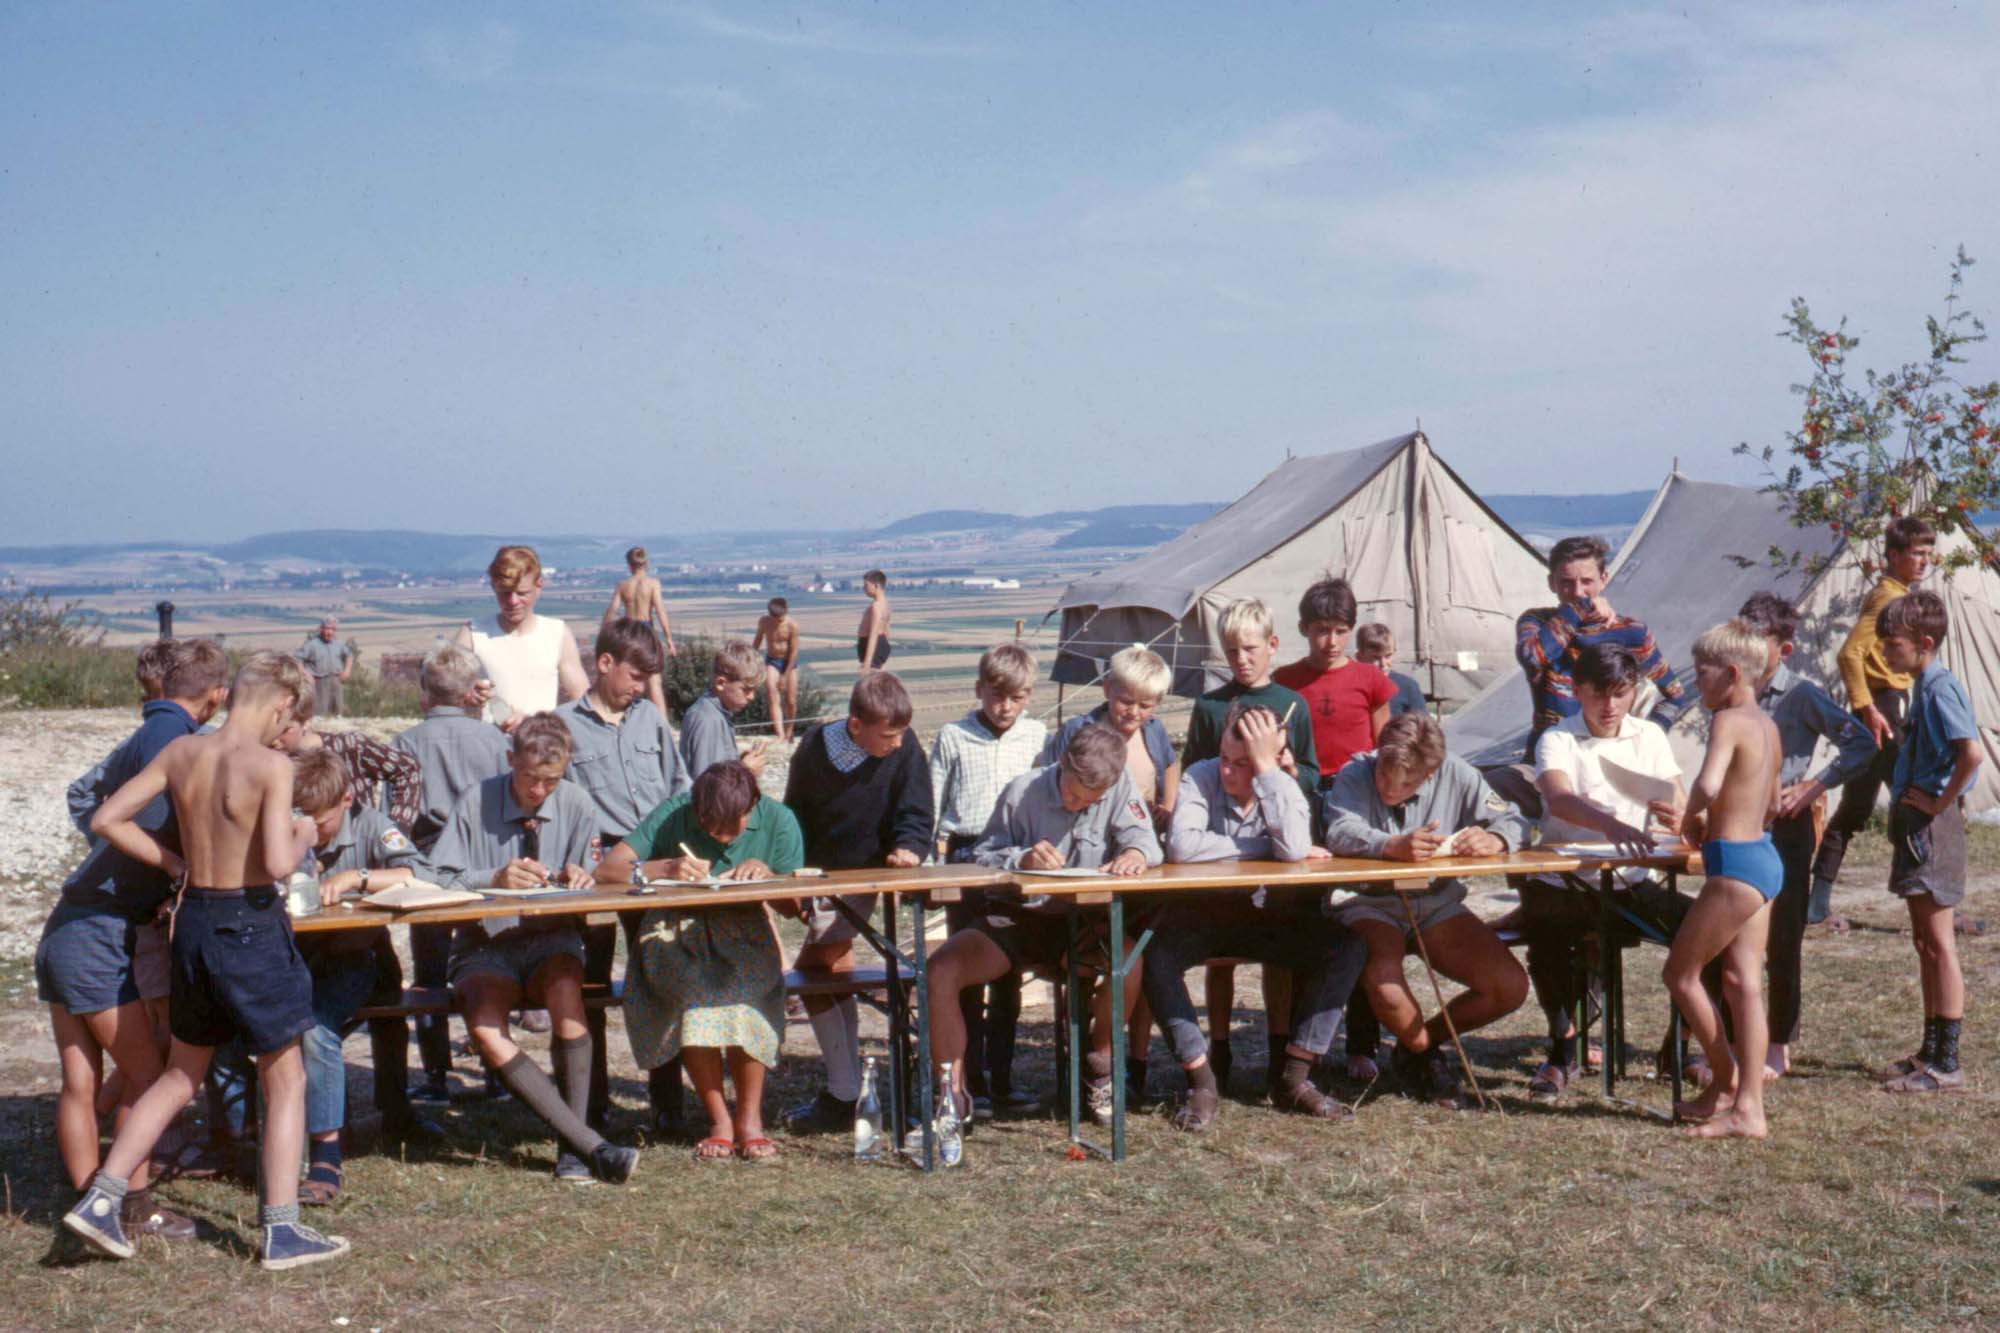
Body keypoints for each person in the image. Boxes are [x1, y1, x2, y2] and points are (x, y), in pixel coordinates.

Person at [63, 652, 349, 1270]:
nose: (285, 731)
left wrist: (172, 864)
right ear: (280, 705)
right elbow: (275, 864)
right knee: (286, 1073)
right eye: (288, 719)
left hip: (191, 922)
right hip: (249, 925)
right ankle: (282, 1230)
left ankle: (101, 1200)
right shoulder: (271, 766)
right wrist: (304, 834)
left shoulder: (183, 753)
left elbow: (108, 817)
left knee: (179, 1073)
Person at [38, 638, 229, 1251]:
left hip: (68, 923)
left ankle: (86, 1203)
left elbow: (83, 795)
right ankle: (129, 1206)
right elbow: (115, 819)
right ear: (217, 695)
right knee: (148, 1074)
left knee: (80, 1080)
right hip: (99, 932)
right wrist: (174, 864)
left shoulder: (140, 739)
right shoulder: (179, 744)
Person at [430, 713, 639, 1184]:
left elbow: (595, 873)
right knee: (484, 1028)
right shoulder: (474, 802)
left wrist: (585, 877)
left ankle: (573, 1149)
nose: (539, 791)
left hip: (553, 939)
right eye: (529, 778)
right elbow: (435, 877)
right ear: (510, 761)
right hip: (486, 943)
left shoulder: (579, 803)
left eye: (551, 781)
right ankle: (588, 1145)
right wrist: (493, 878)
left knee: (569, 1003)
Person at [928, 724, 1163, 1124]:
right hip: (1019, 921)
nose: (1074, 805)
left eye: (1088, 802)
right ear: (1062, 764)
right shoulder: (1022, 791)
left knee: (1129, 959)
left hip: (1086, 922)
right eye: (1070, 794)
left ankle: (1100, 1065)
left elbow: (1148, 841)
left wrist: (1136, 853)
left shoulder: (1120, 785)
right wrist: (1021, 860)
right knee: (940, 970)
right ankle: (953, 1095)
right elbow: (980, 855)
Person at [1145, 704, 1363, 1130]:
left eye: (1243, 763)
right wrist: (1268, 847)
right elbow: (1183, 847)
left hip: (1270, 916)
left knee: (1347, 945)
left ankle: (1295, 1076)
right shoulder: (1199, 776)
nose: (1228, 772)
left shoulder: (1281, 783)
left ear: (1273, 757)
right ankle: (1201, 1080)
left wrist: (1268, 774)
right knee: (1154, 954)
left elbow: (1297, 845)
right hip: (1204, 917)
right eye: (1226, 758)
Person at [1321, 713, 1532, 1109]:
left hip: (1436, 904)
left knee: (1509, 987)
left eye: (1406, 783)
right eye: (1384, 774)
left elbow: (1516, 818)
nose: (1389, 788)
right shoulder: (1355, 772)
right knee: (1384, 984)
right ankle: (1422, 1052)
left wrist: (1496, 838)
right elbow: (1337, 828)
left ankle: (1419, 1045)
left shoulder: (1459, 773)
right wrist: (1389, 845)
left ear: (1432, 774)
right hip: (1369, 903)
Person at [600, 763, 804, 1162]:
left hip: (746, 932)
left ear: (753, 806)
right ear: (696, 808)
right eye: (711, 828)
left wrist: (767, 876)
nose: (722, 838)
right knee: (695, 1001)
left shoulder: (779, 819)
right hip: (678, 932)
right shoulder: (675, 812)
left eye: (733, 828)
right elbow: (607, 870)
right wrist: (664, 868)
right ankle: (718, 1122)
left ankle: (749, 1121)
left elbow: (796, 905)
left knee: (747, 1002)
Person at [1520, 643, 1689, 1100]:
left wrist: (1680, 816)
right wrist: (1610, 822)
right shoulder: (1558, 737)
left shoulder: (1649, 736)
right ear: (1577, 691)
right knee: (1547, 936)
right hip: (1567, 879)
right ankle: (1563, 1050)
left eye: (1621, 693)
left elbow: (1677, 796)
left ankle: (1680, 1045)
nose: (1610, 706)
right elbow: (1558, 798)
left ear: (1634, 691)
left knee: (1712, 930)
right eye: (1599, 694)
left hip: (1633, 880)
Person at [779, 672, 935, 1132]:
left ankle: (844, 1092)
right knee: (828, 975)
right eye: (888, 734)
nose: (898, 741)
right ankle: (847, 1092)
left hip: (870, 880)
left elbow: (917, 811)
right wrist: (797, 875)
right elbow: (794, 814)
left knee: (813, 968)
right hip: (822, 879)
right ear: (854, 725)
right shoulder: (813, 748)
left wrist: (909, 847)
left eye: (902, 731)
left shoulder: (905, 750)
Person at [283, 751, 437, 1205]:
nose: (311, 831)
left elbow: (421, 875)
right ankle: (241, 1133)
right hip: (298, 958)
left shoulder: (370, 824)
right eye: (301, 819)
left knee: (316, 1030)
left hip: (358, 958)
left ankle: (326, 1156)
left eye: (322, 822)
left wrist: (359, 876)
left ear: (347, 799)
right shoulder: (287, 830)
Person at [1736, 592, 1878, 1079]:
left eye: (1759, 644)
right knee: (1736, 933)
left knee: (1783, 937)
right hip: (1741, 824)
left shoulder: (1801, 695)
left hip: (1787, 827)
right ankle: (1738, 1036)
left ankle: (1779, 1041)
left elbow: (1861, 743)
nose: (1748, 654)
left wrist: (1815, 785)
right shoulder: (1736, 689)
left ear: (1784, 649)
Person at [557, 618, 691, 1132]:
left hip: (654, 864)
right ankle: (589, 1108)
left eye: (647, 679)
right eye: (635, 676)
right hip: (594, 866)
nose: (640, 688)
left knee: (659, 977)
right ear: (605, 662)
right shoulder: (563, 723)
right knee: (586, 986)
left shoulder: (651, 721)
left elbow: (677, 784)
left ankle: (667, 1106)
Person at [1185, 599, 1318, 1094]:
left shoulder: (1293, 703)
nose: (1242, 659)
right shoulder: (1210, 706)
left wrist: (1283, 768)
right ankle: (1218, 1045)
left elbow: (1312, 773)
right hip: (1222, 841)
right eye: (1231, 650)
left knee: (1277, 947)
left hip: (1276, 831)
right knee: (1221, 952)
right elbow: (1200, 771)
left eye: (1251, 648)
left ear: (1272, 646)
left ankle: (1280, 1043)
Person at [1040, 644, 1181, 1104]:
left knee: (1138, 957)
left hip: (1137, 861)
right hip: (1083, 864)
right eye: (1127, 701)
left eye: (1146, 705)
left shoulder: (1155, 732)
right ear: (1107, 689)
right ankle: (1084, 1067)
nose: (1134, 712)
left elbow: (1170, 765)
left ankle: (1131, 1068)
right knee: (1084, 967)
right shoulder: (1078, 732)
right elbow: (1049, 790)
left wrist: (1169, 807)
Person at [1662, 620, 1783, 1139]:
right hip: (1763, 857)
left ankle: (1730, 1082)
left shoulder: (1727, 721)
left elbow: (1708, 783)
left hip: (1733, 867)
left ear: (1731, 674)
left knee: (1681, 976)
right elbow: (1774, 803)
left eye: (1702, 673)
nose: (1696, 682)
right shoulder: (1768, 726)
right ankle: (1742, 1106)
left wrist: (1691, 820)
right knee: (1742, 985)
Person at [929, 643, 1048, 1118]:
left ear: (1029, 697)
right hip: (965, 855)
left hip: (1017, 858)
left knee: (1009, 975)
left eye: (1016, 698)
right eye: (996, 695)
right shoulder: (953, 736)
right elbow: (935, 801)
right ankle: (967, 1081)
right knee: (963, 975)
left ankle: (1004, 1080)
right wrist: (930, 863)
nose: (1005, 707)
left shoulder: (1038, 736)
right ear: (979, 690)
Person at [1871, 590, 1982, 1095]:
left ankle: (1947, 1064)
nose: (1884, 654)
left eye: (1891, 645)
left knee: (1939, 944)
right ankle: (1929, 1052)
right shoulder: (1923, 685)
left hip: (1931, 832)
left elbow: (1972, 754)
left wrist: (1939, 803)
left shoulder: (1940, 689)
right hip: (1917, 830)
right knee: (1924, 944)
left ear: (1925, 642)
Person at [392, 643, 514, 1099]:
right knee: (491, 967)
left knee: (429, 976)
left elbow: (397, 817)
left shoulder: (405, 743)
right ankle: (498, 1072)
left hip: (427, 868)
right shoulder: (496, 742)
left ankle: (436, 1077)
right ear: (470, 693)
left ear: (425, 692)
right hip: (485, 861)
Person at [1811, 516, 1938, 927]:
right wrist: (1867, 707)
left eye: (1926, 552)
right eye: (1915, 553)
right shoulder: (1888, 596)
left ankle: (1817, 905)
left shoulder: (1898, 592)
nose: (1924, 560)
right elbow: (1850, 654)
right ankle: (1933, 905)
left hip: (1888, 707)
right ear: (1895, 556)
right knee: (1913, 804)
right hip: (1884, 711)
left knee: (1857, 807)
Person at [1516, 534, 1687, 760]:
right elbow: (1533, 657)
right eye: (1566, 582)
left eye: (1586, 581)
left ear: (1603, 579)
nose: (1577, 592)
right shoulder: (1538, 622)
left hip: (1609, 760)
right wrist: (1582, 608)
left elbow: (1675, 695)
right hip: (1547, 757)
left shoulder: (1631, 632)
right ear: (1552, 583)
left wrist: (1647, 737)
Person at [458, 544, 589, 724]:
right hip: (486, 746)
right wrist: (467, 697)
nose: (513, 601)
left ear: (539, 586)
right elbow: (441, 691)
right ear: (494, 587)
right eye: (505, 593)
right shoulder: (472, 634)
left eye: (522, 593)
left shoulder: (557, 633)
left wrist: (540, 723)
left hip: (541, 744)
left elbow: (581, 699)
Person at [681, 641, 769, 781]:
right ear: (721, 683)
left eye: (754, 690)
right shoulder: (707, 720)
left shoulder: (717, 714)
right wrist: (745, 770)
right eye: (746, 690)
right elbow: (707, 784)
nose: (752, 697)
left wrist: (738, 761)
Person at [606, 545, 676, 715]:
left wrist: (605, 638)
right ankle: (662, 724)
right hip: (645, 630)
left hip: (628, 631)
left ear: (629, 565)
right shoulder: (653, 584)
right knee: (653, 680)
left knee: (627, 678)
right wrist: (669, 640)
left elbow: (611, 612)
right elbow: (660, 611)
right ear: (647, 564)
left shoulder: (623, 586)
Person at [752, 597, 802, 744]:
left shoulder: (792, 625)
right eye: (777, 618)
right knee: (772, 694)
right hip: (772, 660)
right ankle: (779, 734)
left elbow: (794, 652)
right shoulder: (764, 622)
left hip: (789, 663)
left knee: (791, 701)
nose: (779, 620)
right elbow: (757, 640)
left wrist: (785, 676)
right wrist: (751, 658)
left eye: (781, 617)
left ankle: (789, 732)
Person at [1355, 622, 1428, 718]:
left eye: (1388, 656)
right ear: (1360, 657)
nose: (1383, 664)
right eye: (1376, 658)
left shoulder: (1408, 687)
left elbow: (1424, 726)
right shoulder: (1352, 686)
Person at [295, 618, 354, 719]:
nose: (330, 632)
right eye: (327, 629)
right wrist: (306, 674)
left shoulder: (338, 644)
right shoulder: (312, 645)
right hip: (319, 682)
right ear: (321, 629)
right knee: (319, 713)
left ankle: (337, 731)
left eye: (333, 629)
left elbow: (349, 655)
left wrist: (347, 670)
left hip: (336, 680)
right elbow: (297, 659)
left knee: (338, 711)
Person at [857, 569, 892, 672]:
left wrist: (867, 663)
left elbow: (874, 633)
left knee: (872, 683)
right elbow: (887, 631)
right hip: (880, 644)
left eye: (866, 585)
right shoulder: (885, 604)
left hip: (872, 646)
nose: (864, 588)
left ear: (876, 585)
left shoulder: (876, 606)